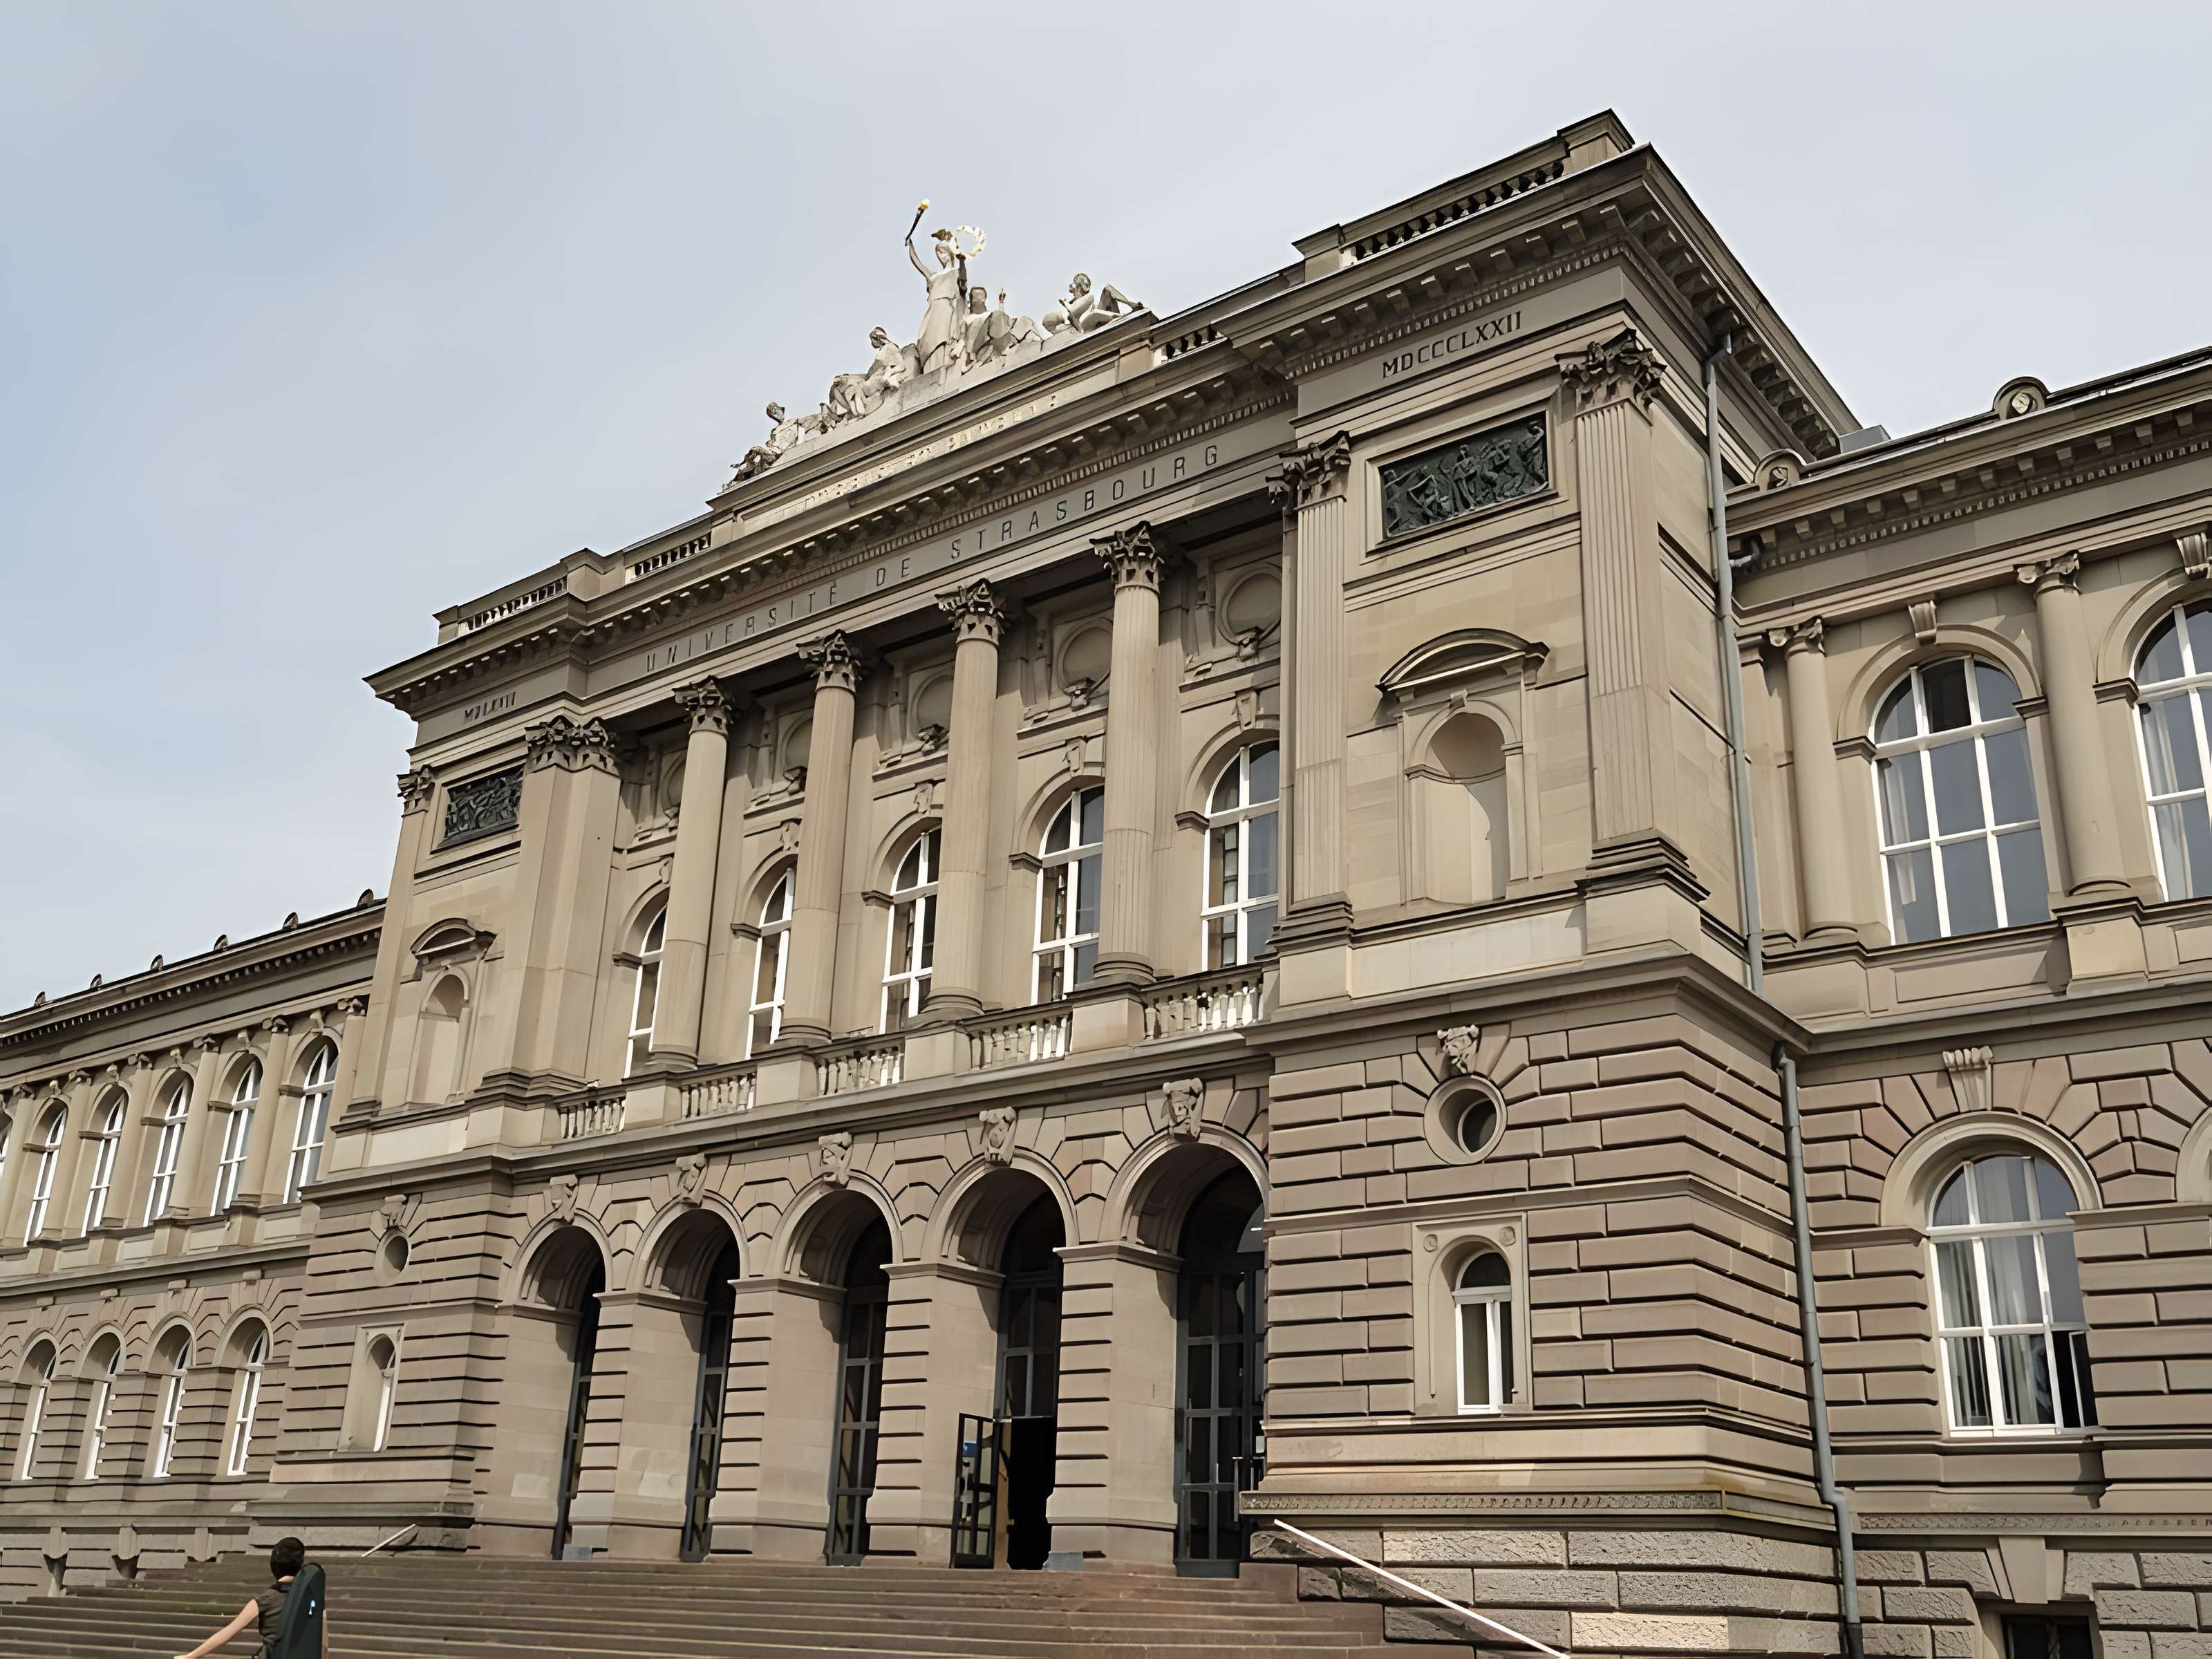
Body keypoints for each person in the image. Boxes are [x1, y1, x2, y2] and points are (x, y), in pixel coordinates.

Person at [174, 1535, 328, 1659]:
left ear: (274, 1567)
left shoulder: (264, 1600)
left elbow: (228, 1632)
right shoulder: (313, 1602)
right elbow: (323, 1647)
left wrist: (191, 1656)